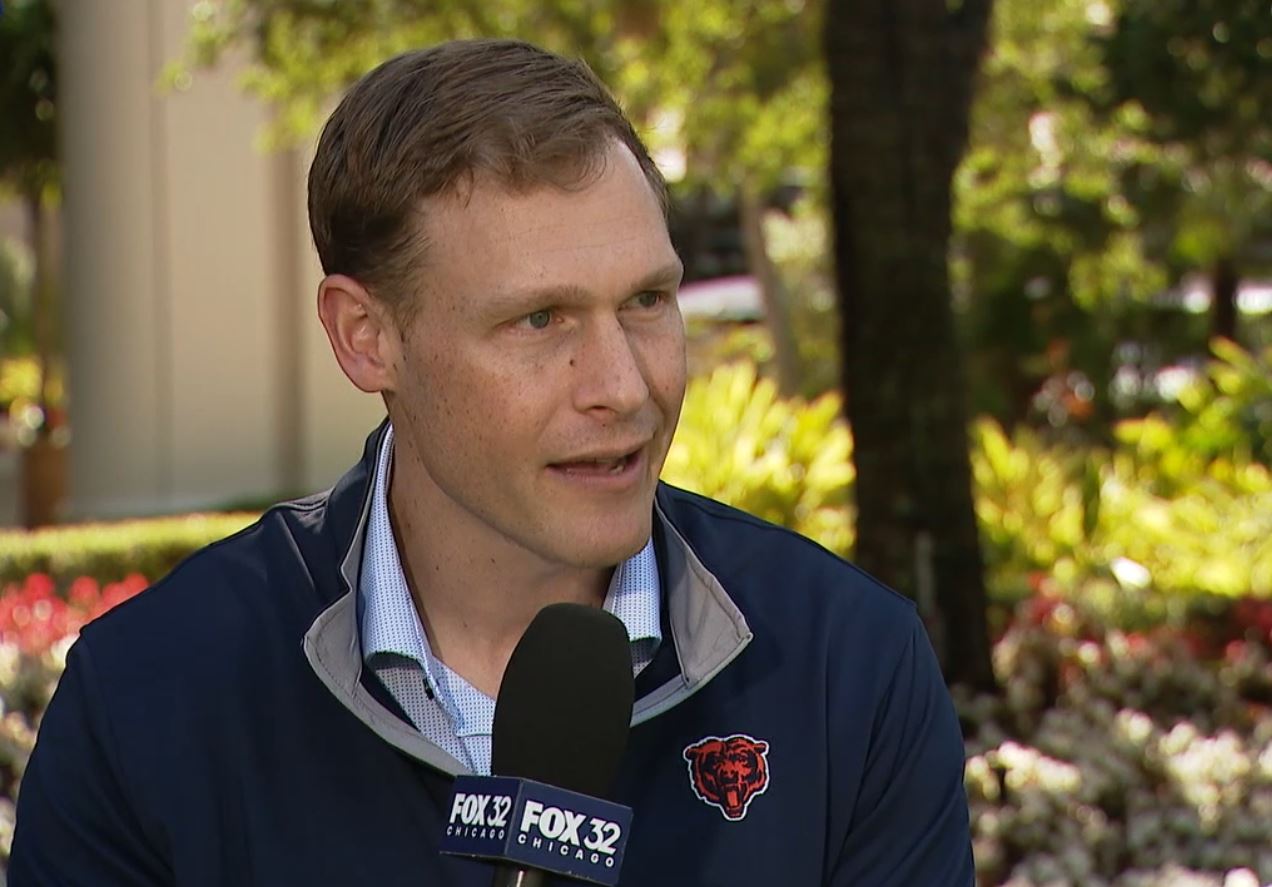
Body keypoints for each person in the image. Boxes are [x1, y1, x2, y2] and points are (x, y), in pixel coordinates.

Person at [10, 38, 973, 885]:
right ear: (366, 338)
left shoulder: (850, 671)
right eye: (540, 319)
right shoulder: (149, 701)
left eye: (646, 301)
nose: (623, 386)